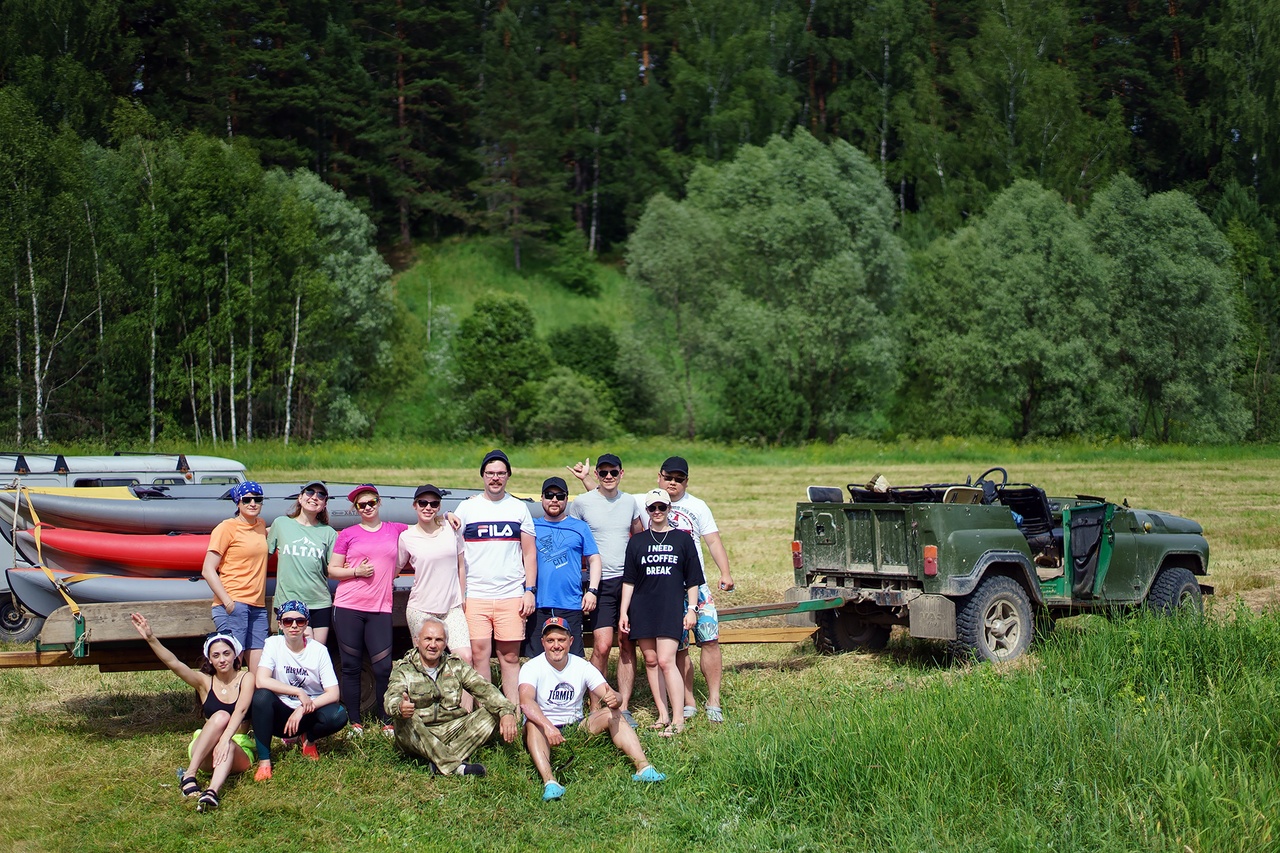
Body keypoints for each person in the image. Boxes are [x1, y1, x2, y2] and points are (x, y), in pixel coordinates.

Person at [520, 617, 666, 802]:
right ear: (543, 643)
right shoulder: (531, 667)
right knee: (532, 723)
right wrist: (548, 727)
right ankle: (550, 781)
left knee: (612, 713)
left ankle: (643, 767)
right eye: (550, 641)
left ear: (570, 642)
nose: (556, 645)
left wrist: (616, 699)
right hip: (543, 727)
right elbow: (526, 702)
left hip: (576, 726)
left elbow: (611, 694)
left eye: (561, 640)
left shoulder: (582, 666)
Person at [130, 613, 255, 813]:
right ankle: (190, 775)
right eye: (216, 656)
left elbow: (240, 710)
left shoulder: (246, 678)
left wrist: (224, 740)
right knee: (220, 716)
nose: (222, 660)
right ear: (210, 660)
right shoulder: (204, 682)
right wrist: (151, 638)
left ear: (235, 655)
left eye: (226, 653)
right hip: (204, 750)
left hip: (237, 747)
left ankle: (212, 792)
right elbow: (175, 664)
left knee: (228, 743)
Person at [647, 456, 735, 723]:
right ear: (659, 477)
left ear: (686, 481)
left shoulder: (697, 506)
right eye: (668, 477)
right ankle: (688, 701)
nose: (673, 483)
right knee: (679, 647)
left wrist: (725, 572)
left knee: (709, 639)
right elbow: (610, 495)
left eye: (679, 479)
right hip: (668, 590)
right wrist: (588, 479)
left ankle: (714, 700)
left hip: (698, 586)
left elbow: (713, 541)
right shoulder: (649, 502)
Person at [384, 616, 518, 777]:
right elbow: (391, 697)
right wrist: (399, 707)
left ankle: (439, 761)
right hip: (418, 732)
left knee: (492, 712)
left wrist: (506, 711)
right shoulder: (404, 668)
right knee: (407, 718)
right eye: (428, 639)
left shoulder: (455, 665)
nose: (433, 645)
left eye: (439, 640)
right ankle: (456, 767)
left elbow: (484, 689)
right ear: (417, 640)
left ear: (446, 642)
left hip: (452, 728)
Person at [566, 453, 644, 724]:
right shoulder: (582, 504)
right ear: (597, 474)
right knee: (601, 646)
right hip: (600, 583)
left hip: (629, 582)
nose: (608, 477)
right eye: (603, 473)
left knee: (626, 643)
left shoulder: (630, 502)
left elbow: (640, 535)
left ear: (622, 473)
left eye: (613, 472)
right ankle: (595, 706)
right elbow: (573, 538)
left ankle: (623, 706)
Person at [455, 449, 536, 706]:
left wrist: (529, 590)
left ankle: (512, 711)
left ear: (508, 476)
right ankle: (486, 714)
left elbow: (529, 553)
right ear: (482, 476)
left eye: (501, 473)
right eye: (490, 473)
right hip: (476, 596)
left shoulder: (519, 508)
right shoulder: (467, 507)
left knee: (510, 657)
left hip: (511, 595)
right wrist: (462, 594)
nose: (495, 478)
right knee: (479, 656)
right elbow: (456, 553)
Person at [619, 489, 703, 736]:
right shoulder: (637, 541)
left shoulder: (682, 539)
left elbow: (693, 580)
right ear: (646, 511)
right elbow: (629, 580)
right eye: (652, 508)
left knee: (667, 660)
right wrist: (624, 612)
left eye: (661, 507)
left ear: (669, 509)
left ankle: (679, 718)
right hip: (642, 607)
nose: (657, 512)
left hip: (670, 606)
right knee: (651, 661)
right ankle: (663, 714)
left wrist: (692, 609)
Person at [328, 484, 407, 736]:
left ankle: (387, 720)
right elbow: (332, 570)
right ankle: (355, 722)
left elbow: (426, 530)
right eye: (362, 505)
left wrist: (448, 517)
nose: (368, 507)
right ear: (356, 509)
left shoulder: (395, 530)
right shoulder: (347, 534)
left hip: (380, 608)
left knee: (383, 667)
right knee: (351, 666)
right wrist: (356, 572)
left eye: (371, 502)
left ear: (378, 502)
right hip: (349, 606)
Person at [251, 600, 345, 781]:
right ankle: (264, 762)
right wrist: (298, 692)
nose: (294, 625)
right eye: (288, 621)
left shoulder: (319, 650)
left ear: (306, 624)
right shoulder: (273, 644)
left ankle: (309, 740)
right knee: (261, 697)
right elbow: (261, 680)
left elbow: (334, 694)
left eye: (299, 621)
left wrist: (303, 708)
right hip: (282, 714)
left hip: (309, 712)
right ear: (280, 624)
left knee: (339, 715)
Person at [525, 476, 600, 659]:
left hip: (570, 603)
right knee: (537, 659)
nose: (554, 500)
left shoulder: (579, 527)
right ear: (541, 498)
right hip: (539, 603)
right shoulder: (531, 526)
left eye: (560, 496)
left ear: (567, 499)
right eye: (549, 495)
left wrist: (592, 590)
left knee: (571, 658)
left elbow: (595, 560)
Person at [201, 480, 269, 673]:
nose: (253, 503)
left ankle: (254, 703)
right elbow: (207, 569)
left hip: (258, 607)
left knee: (259, 670)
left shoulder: (260, 525)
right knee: (231, 669)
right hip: (234, 604)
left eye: (258, 499)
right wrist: (229, 603)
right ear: (238, 503)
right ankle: (227, 703)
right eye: (247, 500)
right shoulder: (226, 528)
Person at [398, 484, 470, 666]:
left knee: (465, 658)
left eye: (433, 504)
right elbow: (394, 568)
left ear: (439, 507)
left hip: (452, 607)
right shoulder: (407, 537)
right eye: (422, 503)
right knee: (425, 661)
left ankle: (461, 696)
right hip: (421, 608)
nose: (428, 508)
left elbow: (461, 565)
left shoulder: (451, 528)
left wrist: (462, 597)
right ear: (415, 505)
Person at [267, 480, 337, 644]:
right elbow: (262, 556)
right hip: (289, 601)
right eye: (310, 492)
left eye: (321, 495)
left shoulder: (329, 533)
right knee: (296, 651)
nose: (314, 497)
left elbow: (332, 569)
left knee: (316, 653)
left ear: (325, 503)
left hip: (319, 602)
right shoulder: (281, 524)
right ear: (300, 498)